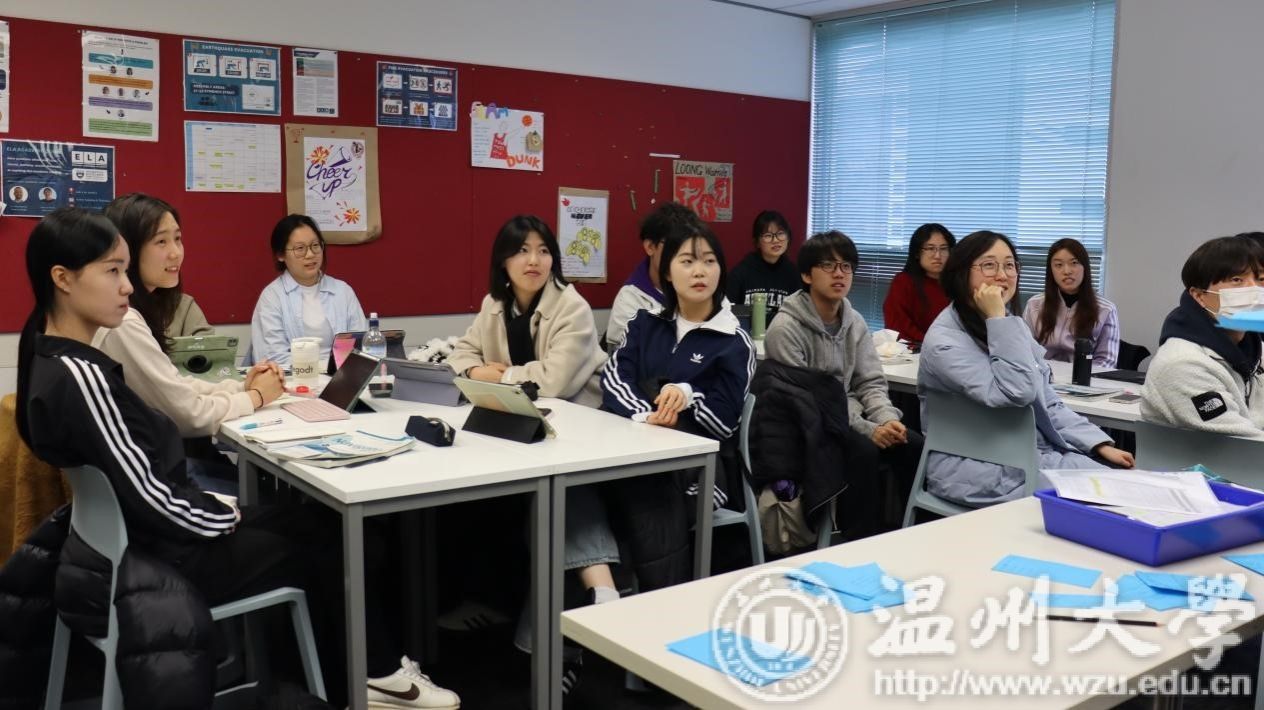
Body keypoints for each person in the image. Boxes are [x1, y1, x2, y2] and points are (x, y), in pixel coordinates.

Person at [17, 207, 460, 710]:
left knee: (321, 524)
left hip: (134, 541)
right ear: (63, 279)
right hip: (162, 553)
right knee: (336, 535)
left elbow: (139, 474)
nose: (126, 286)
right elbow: (150, 494)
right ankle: (377, 678)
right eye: (112, 271)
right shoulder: (84, 377)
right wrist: (220, 513)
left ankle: (358, 673)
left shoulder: (48, 356)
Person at [444, 215, 621, 680]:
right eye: (522, 250)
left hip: (582, 429)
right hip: (521, 425)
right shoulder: (495, 304)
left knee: (559, 490)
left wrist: (497, 373)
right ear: (503, 261)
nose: (534, 260)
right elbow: (460, 356)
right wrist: (479, 371)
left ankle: (576, 620)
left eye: (543, 251)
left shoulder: (572, 307)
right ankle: (586, 598)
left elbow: (555, 382)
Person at [918, 230, 1133, 506]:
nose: (1002, 275)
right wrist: (998, 318)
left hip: (1022, 456)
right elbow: (1018, 392)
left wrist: (1097, 443)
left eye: (1009, 265)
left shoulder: (1007, 324)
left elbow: (1047, 399)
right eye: (989, 265)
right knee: (1114, 494)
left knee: (1127, 483)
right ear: (961, 273)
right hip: (975, 467)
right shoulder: (945, 342)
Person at [93, 194, 284, 492]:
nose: (176, 253)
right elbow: (188, 414)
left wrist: (240, 387)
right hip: (154, 480)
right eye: (161, 242)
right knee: (279, 498)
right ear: (126, 250)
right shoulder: (123, 322)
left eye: (178, 239)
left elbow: (174, 385)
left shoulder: (135, 311)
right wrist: (256, 397)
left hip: (150, 468)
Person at [602, 221, 755, 590]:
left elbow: (724, 422)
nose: (700, 271)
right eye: (687, 261)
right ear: (668, 272)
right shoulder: (645, 323)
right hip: (631, 449)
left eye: (709, 261)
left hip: (699, 470)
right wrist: (647, 416)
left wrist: (688, 395)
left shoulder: (734, 342)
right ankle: (604, 593)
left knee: (639, 493)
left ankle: (653, 597)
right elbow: (614, 379)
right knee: (583, 491)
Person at [764, 231, 924, 534]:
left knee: (911, 443)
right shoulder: (785, 329)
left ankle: (914, 533)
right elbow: (808, 403)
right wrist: (868, 429)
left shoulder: (855, 322)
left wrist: (886, 419)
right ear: (807, 275)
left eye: (846, 266)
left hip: (846, 416)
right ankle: (859, 541)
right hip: (804, 424)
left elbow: (870, 382)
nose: (839, 273)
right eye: (828, 265)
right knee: (863, 451)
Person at [1142, 235, 1264, 436]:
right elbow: (1243, 442)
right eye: (1237, 280)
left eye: (1261, 279)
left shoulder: (1255, 347)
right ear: (1200, 296)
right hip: (1217, 456)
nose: (1254, 289)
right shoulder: (1182, 363)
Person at [250, 214, 366, 366]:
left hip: (342, 375)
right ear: (280, 255)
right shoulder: (272, 297)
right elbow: (273, 358)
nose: (310, 255)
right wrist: (323, 367)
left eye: (315, 245)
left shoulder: (343, 291)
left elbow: (362, 346)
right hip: (294, 377)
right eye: (300, 248)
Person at [604, 202, 699, 353]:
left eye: (691, 248)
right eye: (674, 246)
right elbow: (632, 359)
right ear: (650, 247)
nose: (684, 256)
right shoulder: (630, 300)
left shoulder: (705, 289)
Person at [1022, 238, 1120, 367]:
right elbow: (1024, 351)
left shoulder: (1106, 310)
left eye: (1074, 263)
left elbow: (1107, 361)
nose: (1067, 271)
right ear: (1051, 270)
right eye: (1058, 265)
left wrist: (1079, 375)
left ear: (1085, 267)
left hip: (1084, 376)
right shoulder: (1034, 305)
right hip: (1042, 375)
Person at [883, 223, 955, 345]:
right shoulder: (903, 282)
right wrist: (932, 345)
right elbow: (897, 327)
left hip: (953, 350)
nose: (938, 256)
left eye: (943, 249)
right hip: (915, 350)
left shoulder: (958, 283)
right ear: (917, 253)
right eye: (930, 248)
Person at [725, 209, 801, 312]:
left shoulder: (793, 274)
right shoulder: (740, 273)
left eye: (780, 233)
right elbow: (727, 311)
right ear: (757, 242)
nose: (775, 240)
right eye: (768, 236)